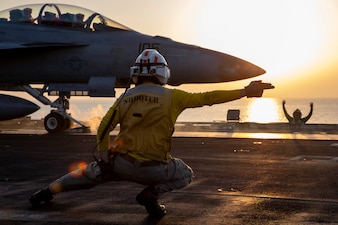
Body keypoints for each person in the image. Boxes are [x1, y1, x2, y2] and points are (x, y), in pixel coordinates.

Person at [29, 49, 274, 216]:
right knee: (186, 174)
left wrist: (104, 157)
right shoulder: (173, 96)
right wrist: (245, 91)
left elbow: (104, 127)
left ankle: (45, 192)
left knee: (83, 175)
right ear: (162, 73)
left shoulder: (125, 97)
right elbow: (207, 98)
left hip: (120, 164)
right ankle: (151, 195)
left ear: (137, 73)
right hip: (155, 169)